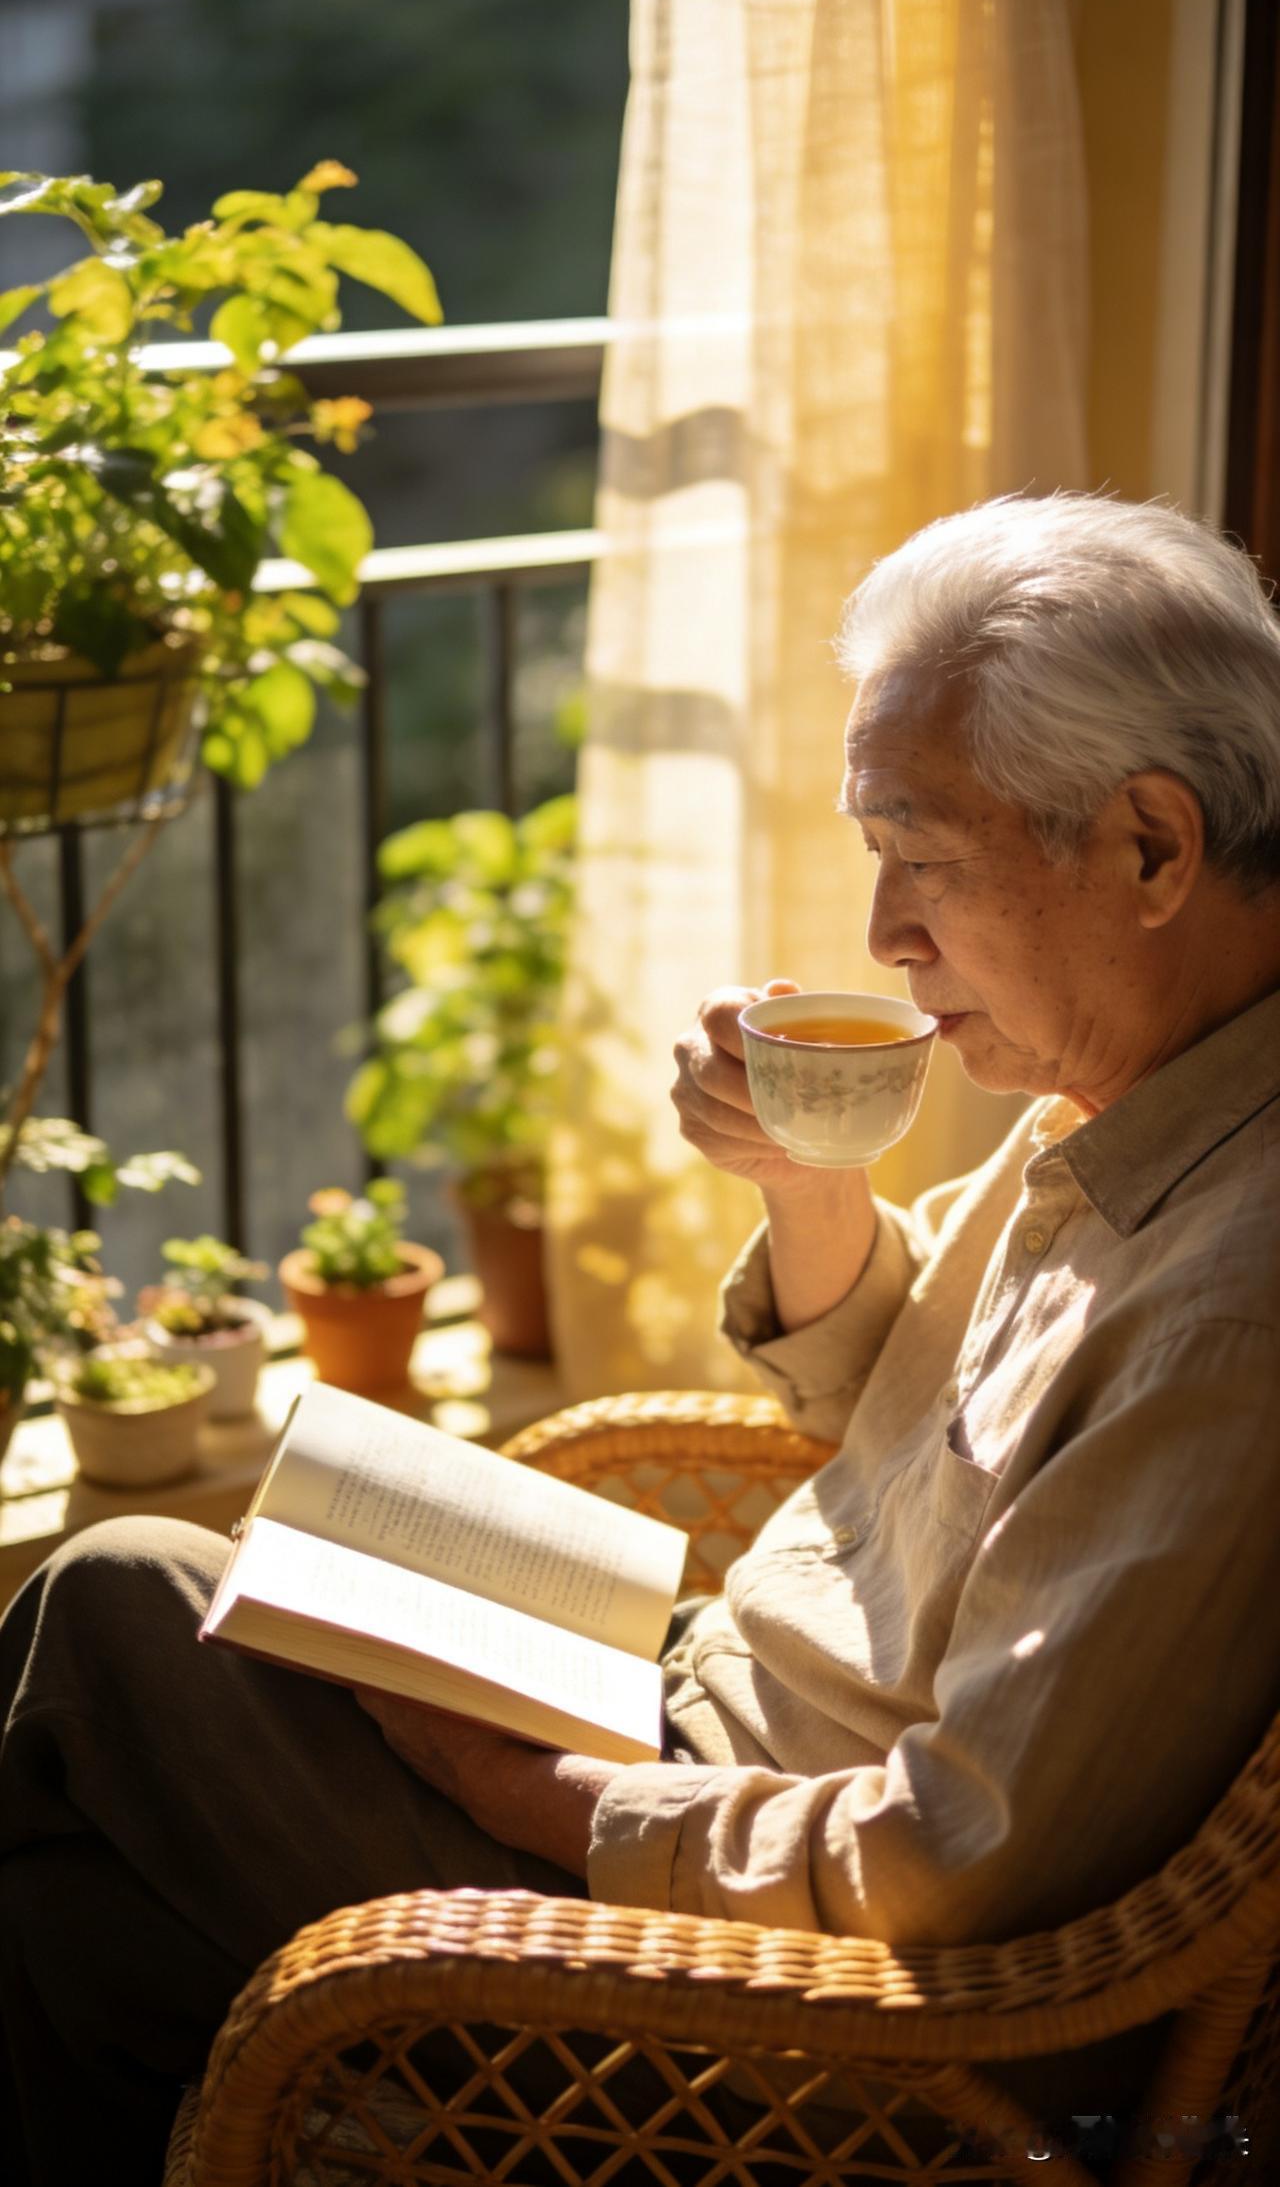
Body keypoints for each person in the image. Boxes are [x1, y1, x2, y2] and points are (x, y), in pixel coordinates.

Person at [3, 492, 1279, 2184]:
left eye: (925, 854)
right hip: (688, 1705)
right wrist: (807, 1178)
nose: (889, 932)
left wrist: (528, 1786)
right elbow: (901, 1406)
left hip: (799, 1999)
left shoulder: (1236, 1303)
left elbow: (953, 1861)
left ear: (1150, 849)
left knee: (115, 1608)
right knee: (71, 1926)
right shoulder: (1124, 1113)